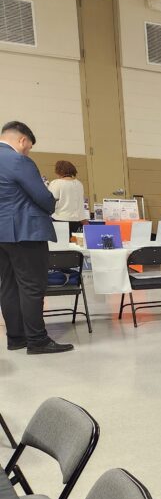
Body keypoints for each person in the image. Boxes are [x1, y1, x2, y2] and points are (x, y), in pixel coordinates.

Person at [0, 121, 72, 354]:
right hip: (25, 231)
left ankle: (16, 338)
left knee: (8, 285)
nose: (27, 151)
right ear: (22, 140)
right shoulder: (18, 160)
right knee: (32, 286)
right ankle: (37, 340)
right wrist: (51, 203)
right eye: (28, 147)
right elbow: (43, 198)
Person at [48, 160, 87, 234]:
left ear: (58, 171)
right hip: (76, 221)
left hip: (59, 220)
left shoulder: (55, 183)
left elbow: (51, 202)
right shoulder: (79, 184)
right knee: (74, 245)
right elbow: (80, 204)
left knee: (60, 245)